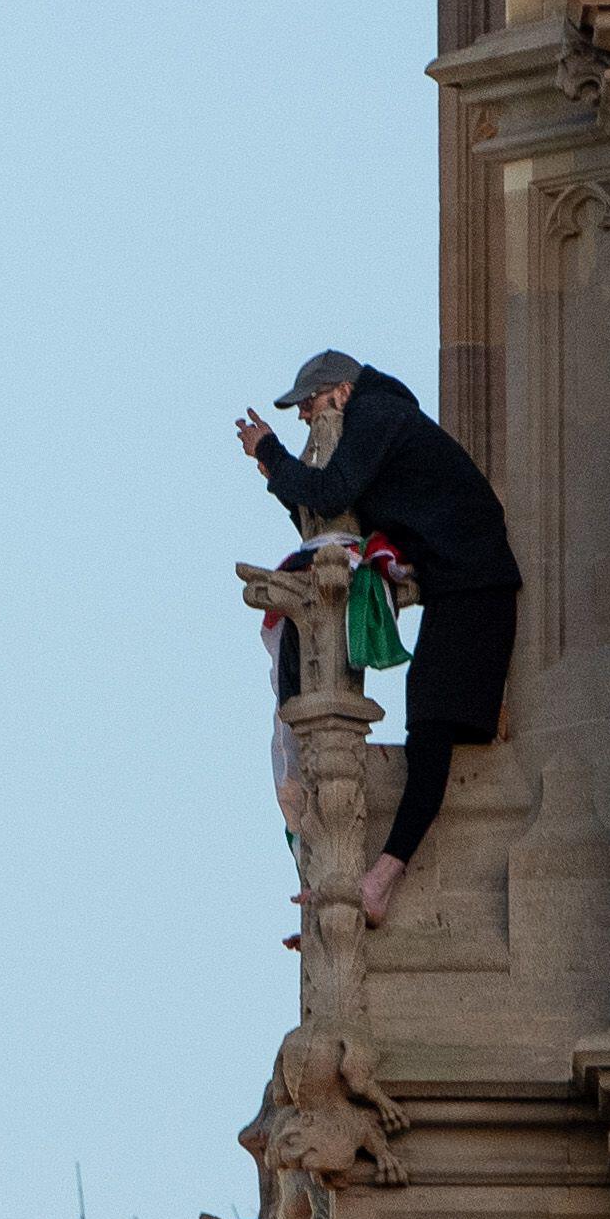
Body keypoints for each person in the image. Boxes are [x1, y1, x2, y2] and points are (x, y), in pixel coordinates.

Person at [236, 350, 522, 925]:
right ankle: (356, 881)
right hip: (459, 586)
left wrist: (272, 452)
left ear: (340, 390)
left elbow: (329, 489)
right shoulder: (379, 424)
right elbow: (331, 519)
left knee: (432, 730)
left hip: (476, 585)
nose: (305, 418)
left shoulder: (378, 415)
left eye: (310, 404)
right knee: (429, 725)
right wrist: (274, 471)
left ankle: (380, 881)